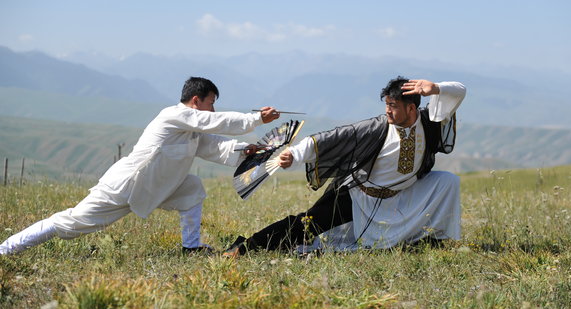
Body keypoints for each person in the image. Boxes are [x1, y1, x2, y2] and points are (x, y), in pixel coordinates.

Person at [0, 77, 280, 255]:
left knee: (193, 188)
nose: (213, 110)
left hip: (160, 184)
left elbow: (213, 145)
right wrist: (254, 119)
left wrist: (248, 149)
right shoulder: (174, 115)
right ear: (196, 101)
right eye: (211, 103)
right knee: (71, 222)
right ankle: (6, 249)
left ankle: (190, 246)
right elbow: (212, 123)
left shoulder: (191, 127)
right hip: (127, 185)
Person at [224, 77, 466, 256]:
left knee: (447, 181)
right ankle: (247, 248)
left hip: (406, 193)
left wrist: (436, 89)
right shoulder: (375, 128)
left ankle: (433, 239)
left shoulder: (429, 120)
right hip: (363, 196)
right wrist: (293, 155)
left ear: (411, 108)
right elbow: (328, 139)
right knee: (308, 224)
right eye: (387, 104)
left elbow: (459, 91)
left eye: (393, 105)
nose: (387, 110)